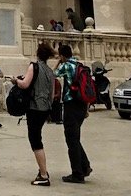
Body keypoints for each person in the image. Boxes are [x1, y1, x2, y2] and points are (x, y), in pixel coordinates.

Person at [15, 42, 59, 186]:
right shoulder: (49, 71)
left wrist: (16, 80)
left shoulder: (34, 66)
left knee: (35, 141)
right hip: (45, 108)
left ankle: (44, 174)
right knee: (37, 137)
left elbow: (25, 84)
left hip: (34, 107)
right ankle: (42, 170)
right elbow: (52, 95)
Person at [56, 44, 92, 184]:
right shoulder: (79, 65)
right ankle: (85, 166)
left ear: (62, 55)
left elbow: (53, 74)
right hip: (82, 105)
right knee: (75, 138)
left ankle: (77, 173)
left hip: (71, 104)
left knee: (71, 139)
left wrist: (59, 62)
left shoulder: (66, 66)